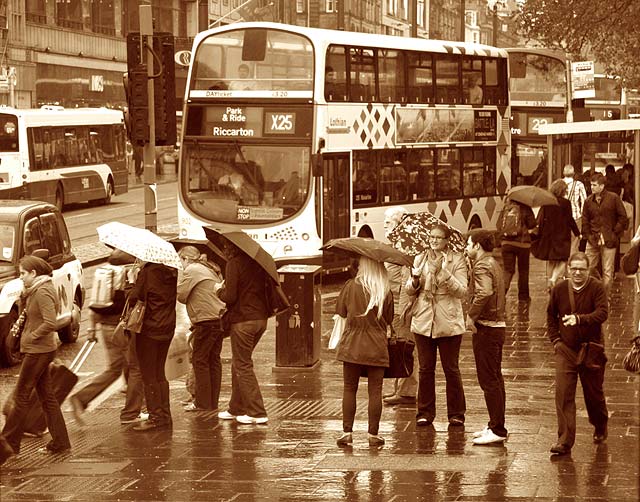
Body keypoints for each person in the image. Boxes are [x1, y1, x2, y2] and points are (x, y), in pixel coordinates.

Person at [0, 256, 71, 465]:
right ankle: (61, 440)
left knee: (21, 396)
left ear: (34, 273)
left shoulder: (43, 291)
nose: (21, 277)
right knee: (46, 397)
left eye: (23, 273)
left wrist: (31, 337)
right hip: (39, 349)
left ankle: (7, 445)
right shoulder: (36, 291)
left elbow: (51, 322)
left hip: (38, 351)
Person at [69, 249, 147, 426]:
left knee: (125, 366)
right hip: (121, 329)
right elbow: (132, 304)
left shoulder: (103, 274)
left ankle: (137, 404)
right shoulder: (126, 276)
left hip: (105, 328)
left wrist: (92, 329)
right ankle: (82, 398)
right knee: (129, 367)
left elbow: (94, 305)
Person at [405, 223, 468, 427]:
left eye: (438, 237)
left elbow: (462, 291)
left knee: (451, 368)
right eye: (431, 237)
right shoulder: (420, 258)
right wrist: (415, 279)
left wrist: (444, 273)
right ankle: (424, 412)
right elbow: (409, 290)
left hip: (448, 319)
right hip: (424, 319)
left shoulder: (456, 259)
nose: (433, 241)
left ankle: (456, 413)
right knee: (425, 368)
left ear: (447, 240)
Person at [546, 252, 609, 455]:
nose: (578, 273)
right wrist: (555, 341)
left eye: (582, 269)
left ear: (588, 270)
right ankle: (564, 440)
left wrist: (579, 319)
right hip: (566, 349)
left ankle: (600, 424)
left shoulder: (596, 288)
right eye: (574, 269)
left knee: (594, 395)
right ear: (568, 270)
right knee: (563, 394)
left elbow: (602, 313)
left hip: (591, 349)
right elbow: (551, 315)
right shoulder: (560, 289)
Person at [334, 255, 394, 447]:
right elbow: (390, 317)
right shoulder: (384, 290)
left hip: (352, 344)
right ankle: (373, 434)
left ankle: (347, 432)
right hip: (376, 345)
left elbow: (341, 312)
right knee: (375, 391)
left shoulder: (350, 286)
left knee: (349, 388)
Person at [216, 240, 270, 425]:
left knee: (243, 364)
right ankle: (236, 407)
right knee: (239, 363)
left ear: (231, 247)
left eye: (225, 247)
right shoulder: (257, 264)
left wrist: (219, 291)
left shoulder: (234, 264)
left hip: (243, 320)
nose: (224, 249)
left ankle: (257, 411)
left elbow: (230, 296)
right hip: (260, 319)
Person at [465, 229, 508, 445]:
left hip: (488, 328)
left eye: (468, 244)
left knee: (489, 379)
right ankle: (495, 423)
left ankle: (498, 429)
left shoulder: (482, 265)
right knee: (496, 378)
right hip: (497, 326)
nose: (466, 248)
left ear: (477, 246)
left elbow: (484, 292)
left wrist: (471, 316)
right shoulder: (493, 263)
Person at [128, 260, 178, 431]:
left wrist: (132, 280)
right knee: (159, 372)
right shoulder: (171, 273)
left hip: (149, 329)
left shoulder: (147, 273)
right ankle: (165, 414)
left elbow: (134, 297)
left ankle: (155, 416)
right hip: (167, 327)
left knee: (149, 374)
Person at [177, 246, 226, 411]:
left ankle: (203, 403)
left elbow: (181, 295)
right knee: (213, 360)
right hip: (218, 317)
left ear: (185, 258)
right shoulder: (208, 267)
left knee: (200, 360)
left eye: (180, 261)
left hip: (205, 320)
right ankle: (212, 402)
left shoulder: (191, 269)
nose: (180, 265)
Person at [381, 206, 417, 406]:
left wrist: (403, 309)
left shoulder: (405, 246)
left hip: (400, 306)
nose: (385, 224)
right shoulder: (396, 243)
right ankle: (401, 389)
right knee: (399, 347)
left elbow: (406, 280)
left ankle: (407, 391)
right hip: (393, 303)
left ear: (399, 222)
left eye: (389, 221)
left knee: (406, 347)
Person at [581, 172, 628, 298]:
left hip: (609, 239)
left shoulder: (613, 198)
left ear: (602, 186)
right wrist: (589, 236)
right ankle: (591, 295)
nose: (592, 187)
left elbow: (623, 217)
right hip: (593, 239)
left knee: (608, 272)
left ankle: (605, 297)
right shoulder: (588, 201)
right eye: (591, 185)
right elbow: (585, 220)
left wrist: (614, 233)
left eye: (595, 185)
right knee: (588, 268)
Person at [533, 179, 580, 290]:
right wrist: (577, 232)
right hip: (562, 234)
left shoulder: (547, 202)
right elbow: (569, 219)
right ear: (563, 190)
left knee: (551, 260)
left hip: (548, 235)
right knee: (563, 259)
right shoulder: (565, 203)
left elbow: (542, 218)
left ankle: (549, 283)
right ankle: (553, 279)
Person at [499, 199, 537, 302]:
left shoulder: (506, 209)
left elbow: (499, 226)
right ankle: (523, 297)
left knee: (508, 270)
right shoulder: (526, 208)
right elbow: (532, 224)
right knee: (523, 271)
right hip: (523, 244)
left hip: (506, 244)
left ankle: (500, 296)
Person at [562, 164, 587, 254]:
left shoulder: (559, 184)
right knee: (575, 242)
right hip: (576, 216)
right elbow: (584, 200)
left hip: (562, 217)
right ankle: (572, 263)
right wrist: (582, 213)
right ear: (574, 174)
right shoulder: (579, 184)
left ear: (563, 173)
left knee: (563, 240)